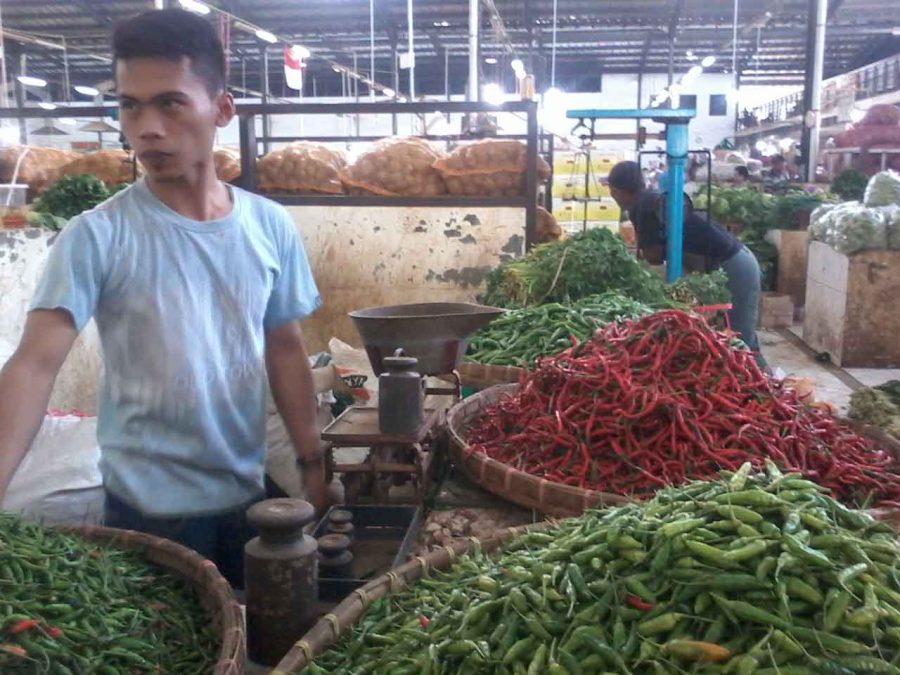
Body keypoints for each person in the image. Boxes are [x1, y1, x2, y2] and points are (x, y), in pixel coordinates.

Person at [0, 9, 328, 588]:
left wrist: (312, 463)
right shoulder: (97, 235)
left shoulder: (269, 226)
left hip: (248, 496)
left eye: (170, 103)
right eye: (129, 106)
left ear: (221, 109)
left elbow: (284, 347)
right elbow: (33, 364)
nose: (146, 127)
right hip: (147, 514)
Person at [607, 161, 766, 364]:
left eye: (611, 191)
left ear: (617, 190)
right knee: (735, 341)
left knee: (741, 342)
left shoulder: (643, 207)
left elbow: (653, 256)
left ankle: (774, 392)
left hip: (735, 265)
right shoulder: (651, 199)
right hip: (733, 261)